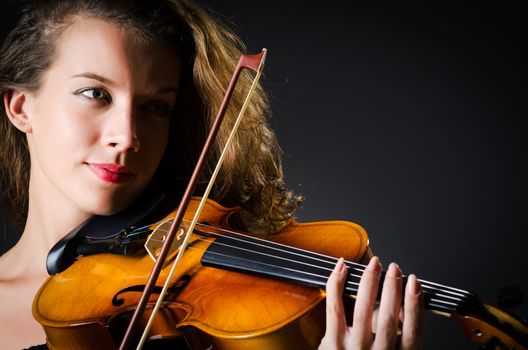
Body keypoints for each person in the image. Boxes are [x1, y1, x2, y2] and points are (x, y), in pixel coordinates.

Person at [0, 0, 423, 349]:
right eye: (95, 94)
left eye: (156, 107)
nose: (127, 137)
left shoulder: (194, 314)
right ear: (21, 107)